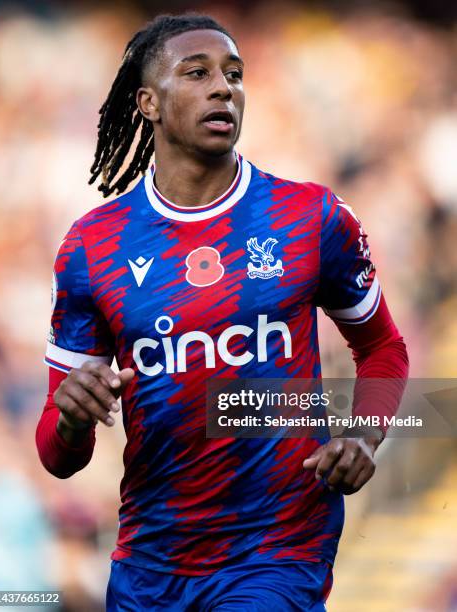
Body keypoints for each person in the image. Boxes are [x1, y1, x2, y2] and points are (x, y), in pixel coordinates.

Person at [36, 13, 409, 611]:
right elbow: (57, 457)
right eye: (198, 73)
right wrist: (74, 417)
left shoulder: (310, 217)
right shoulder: (91, 247)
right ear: (148, 104)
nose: (224, 88)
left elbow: (383, 348)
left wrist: (364, 435)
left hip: (278, 551)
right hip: (151, 560)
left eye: (235, 74)